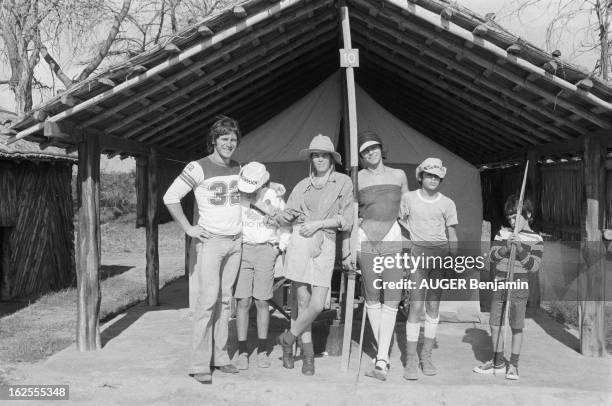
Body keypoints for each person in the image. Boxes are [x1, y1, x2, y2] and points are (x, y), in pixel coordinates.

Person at [258, 134, 353, 376]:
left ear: (332, 158)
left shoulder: (343, 182)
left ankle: (289, 337)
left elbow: (347, 220)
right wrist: (267, 207)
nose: (320, 159)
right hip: (300, 239)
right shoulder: (302, 185)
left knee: (318, 304)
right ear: (311, 159)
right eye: (316, 155)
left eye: (324, 155)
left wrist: (320, 224)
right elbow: (287, 215)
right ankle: (308, 357)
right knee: (301, 302)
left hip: (325, 240)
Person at [163, 116, 242, 385]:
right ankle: (199, 364)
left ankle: (220, 357)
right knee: (207, 301)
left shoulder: (238, 167)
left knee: (225, 300)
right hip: (211, 242)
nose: (229, 143)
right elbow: (170, 197)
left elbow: (244, 198)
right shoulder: (197, 167)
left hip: (235, 241)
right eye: (224, 139)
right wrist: (189, 228)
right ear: (213, 140)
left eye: (232, 139)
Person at [400, 157, 458, 380]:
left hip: (440, 260)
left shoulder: (447, 203)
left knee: (433, 307)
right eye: (429, 175)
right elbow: (400, 225)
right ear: (421, 176)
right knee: (415, 307)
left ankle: (426, 356)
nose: (433, 179)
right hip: (417, 261)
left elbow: (452, 235)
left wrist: (452, 261)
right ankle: (411, 359)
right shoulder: (408, 199)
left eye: (437, 176)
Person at [356, 131, 408, 381]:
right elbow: (352, 213)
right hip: (366, 240)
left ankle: (382, 357)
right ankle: (383, 358)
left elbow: (408, 209)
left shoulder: (399, 175)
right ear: (361, 155)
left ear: (381, 148)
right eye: (365, 150)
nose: (370, 153)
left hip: (393, 240)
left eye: (373, 147)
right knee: (372, 298)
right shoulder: (357, 178)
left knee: (393, 298)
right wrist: (349, 247)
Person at [473, 195, 543, 380]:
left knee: (516, 325)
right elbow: (492, 257)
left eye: (516, 216)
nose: (512, 221)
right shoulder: (502, 234)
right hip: (500, 282)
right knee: (495, 323)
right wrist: (506, 248)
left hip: (519, 285)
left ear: (528, 214)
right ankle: (497, 362)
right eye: (510, 217)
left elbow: (534, 267)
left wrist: (520, 249)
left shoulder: (536, 239)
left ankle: (514, 365)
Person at [234, 162, 290, 370]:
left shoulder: (273, 196)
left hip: (266, 249)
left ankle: (262, 348)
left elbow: (286, 223)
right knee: (242, 301)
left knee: (262, 301)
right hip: (243, 249)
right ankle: (242, 350)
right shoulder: (237, 196)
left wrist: (280, 246)